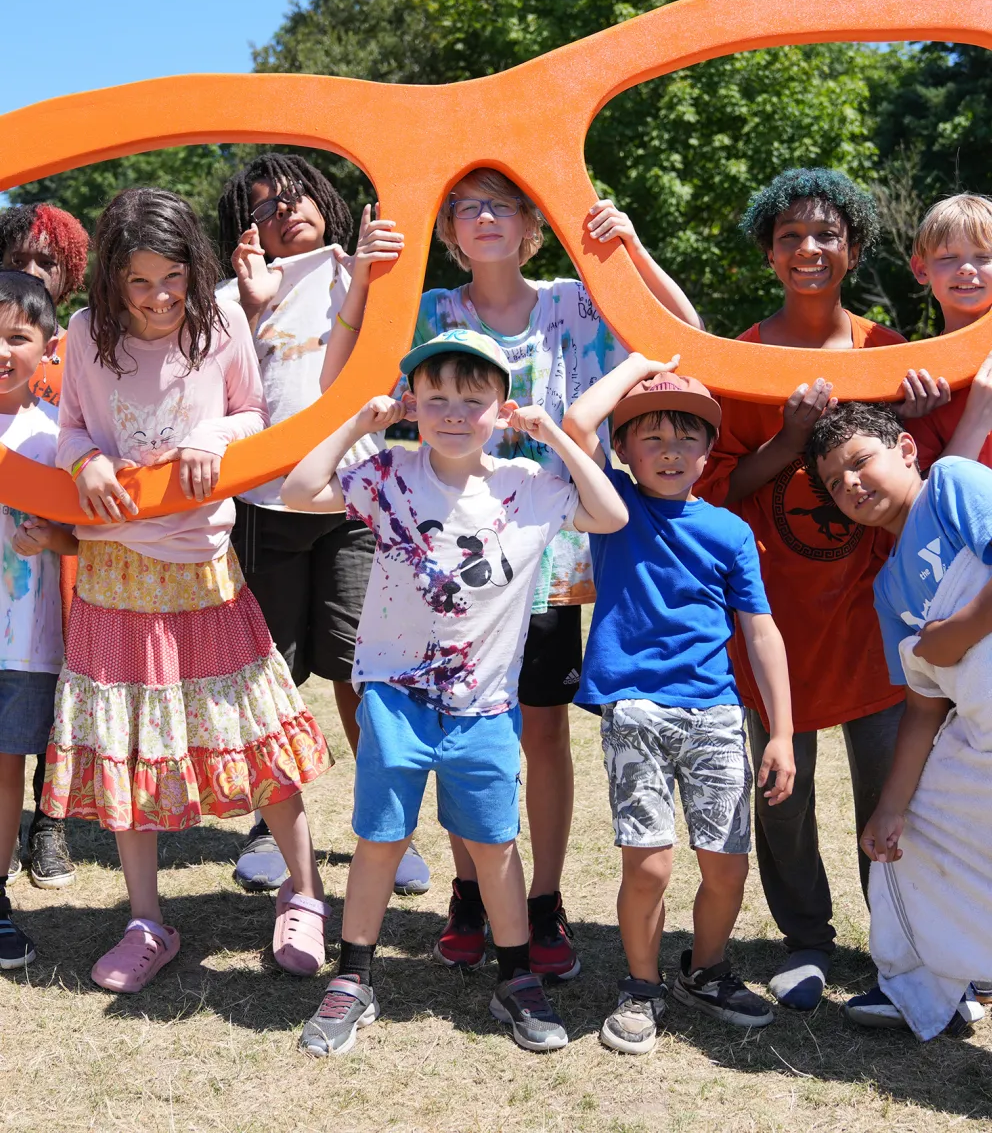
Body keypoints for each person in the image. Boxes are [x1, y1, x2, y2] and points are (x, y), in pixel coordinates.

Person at [321, 166, 700, 979]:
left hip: (548, 557)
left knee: (541, 728)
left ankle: (544, 900)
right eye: (465, 206)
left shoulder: (572, 299)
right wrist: (360, 279)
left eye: (502, 205)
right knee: (459, 720)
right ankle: (469, 891)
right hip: (451, 573)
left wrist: (629, 249)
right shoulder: (429, 313)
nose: (484, 218)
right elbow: (340, 386)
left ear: (532, 219)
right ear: (447, 227)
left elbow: (681, 334)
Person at [283, 329, 628, 1056]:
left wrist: (555, 437)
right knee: (381, 839)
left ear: (502, 409)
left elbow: (610, 514)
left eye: (474, 401)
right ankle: (354, 978)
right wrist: (358, 424)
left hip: (486, 707)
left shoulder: (528, 488)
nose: (453, 413)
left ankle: (515, 979)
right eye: (435, 398)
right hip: (394, 695)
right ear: (411, 403)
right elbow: (297, 488)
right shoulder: (388, 471)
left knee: (496, 845)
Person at [40, 187, 331, 994]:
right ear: (109, 282)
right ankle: (145, 920)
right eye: (138, 282)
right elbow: (69, 429)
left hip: (202, 567)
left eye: (172, 277)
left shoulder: (221, 323)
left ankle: (302, 893)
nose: (159, 297)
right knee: (126, 743)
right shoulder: (85, 334)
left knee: (255, 728)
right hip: (112, 572)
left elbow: (253, 412)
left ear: (194, 270)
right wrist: (85, 461)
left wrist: (212, 435)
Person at [696, 167, 948, 1011]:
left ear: (854, 246)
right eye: (790, 237)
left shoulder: (893, 353)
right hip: (773, 621)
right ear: (769, 254)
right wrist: (791, 435)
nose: (809, 249)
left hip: (878, 617)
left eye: (826, 234)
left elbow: (932, 473)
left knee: (892, 793)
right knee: (782, 792)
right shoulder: (739, 355)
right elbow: (718, 488)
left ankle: (900, 948)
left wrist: (923, 411)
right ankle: (805, 940)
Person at [562, 356, 795, 1052]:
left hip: (718, 715)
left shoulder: (727, 531)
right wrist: (639, 362)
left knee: (727, 865)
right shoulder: (614, 507)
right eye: (651, 437)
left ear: (709, 451)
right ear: (625, 450)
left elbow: (761, 631)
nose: (670, 452)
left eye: (687, 437)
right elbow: (577, 422)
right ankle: (641, 986)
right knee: (651, 864)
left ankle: (707, 968)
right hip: (635, 712)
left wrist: (780, 732)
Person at [215, 154, 406, 893]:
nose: (283, 212)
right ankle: (269, 825)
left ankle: (385, 826)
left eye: (293, 198)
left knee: (364, 673)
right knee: (270, 678)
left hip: (357, 501)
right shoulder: (231, 296)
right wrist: (252, 306)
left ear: (324, 201)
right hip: (264, 506)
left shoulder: (365, 271)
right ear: (244, 227)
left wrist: (368, 269)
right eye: (263, 208)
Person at [807, 403, 992, 1038]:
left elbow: (944, 646)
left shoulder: (952, 484)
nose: (851, 483)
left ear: (907, 449)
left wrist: (956, 632)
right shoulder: (888, 589)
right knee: (910, 842)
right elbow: (922, 703)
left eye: (861, 461)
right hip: (979, 729)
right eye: (835, 482)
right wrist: (888, 809)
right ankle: (922, 987)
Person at [0, 202, 89, 890]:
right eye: (18, 255)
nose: (31, 269)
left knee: (36, 723)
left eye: (46, 260)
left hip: (39, 609)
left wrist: (57, 536)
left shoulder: (74, 372)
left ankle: (48, 826)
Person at [905, 193, 992, 471]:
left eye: (984, 256)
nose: (966, 269)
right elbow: (931, 499)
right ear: (921, 269)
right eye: (949, 257)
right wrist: (977, 419)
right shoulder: (923, 384)